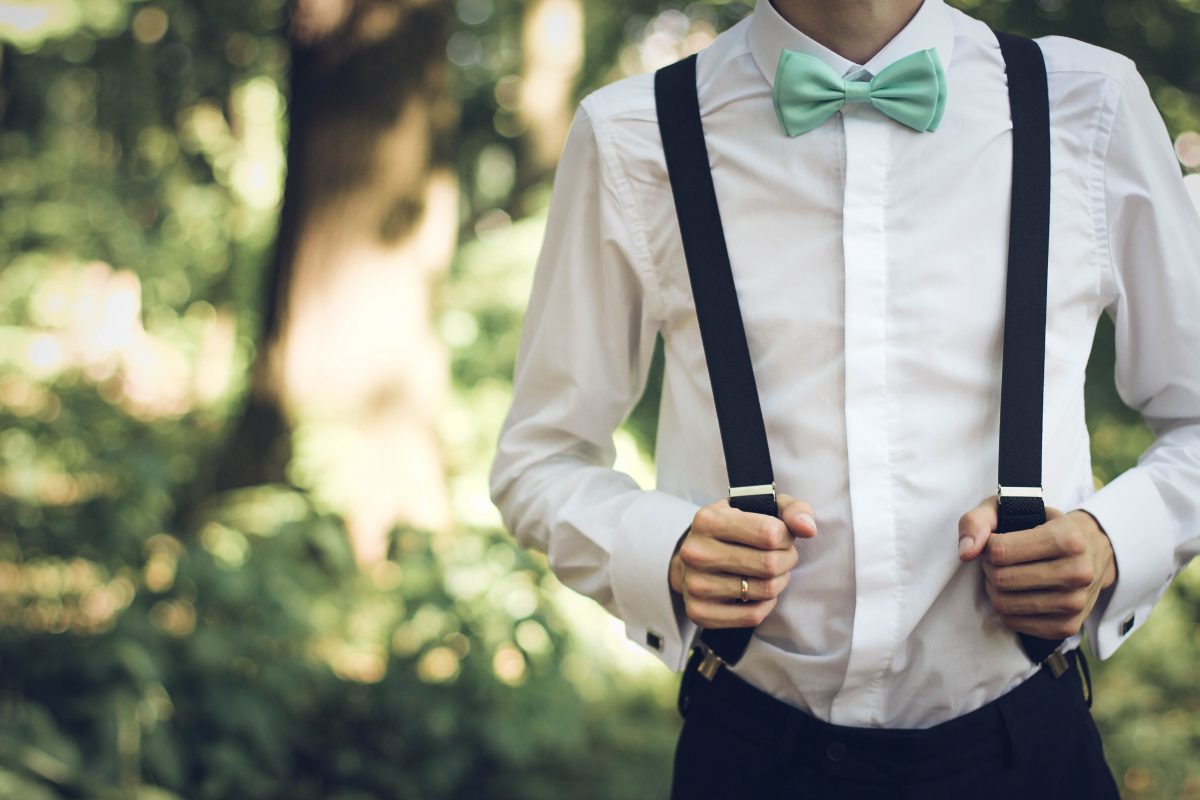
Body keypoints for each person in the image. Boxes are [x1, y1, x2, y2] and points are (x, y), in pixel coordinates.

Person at [489, 0, 1200, 796]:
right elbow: (538, 459)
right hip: (751, 756)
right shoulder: (633, 134)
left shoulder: (1088, 103)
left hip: (1027, 751)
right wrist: (664, 548)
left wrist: (1110, 540)